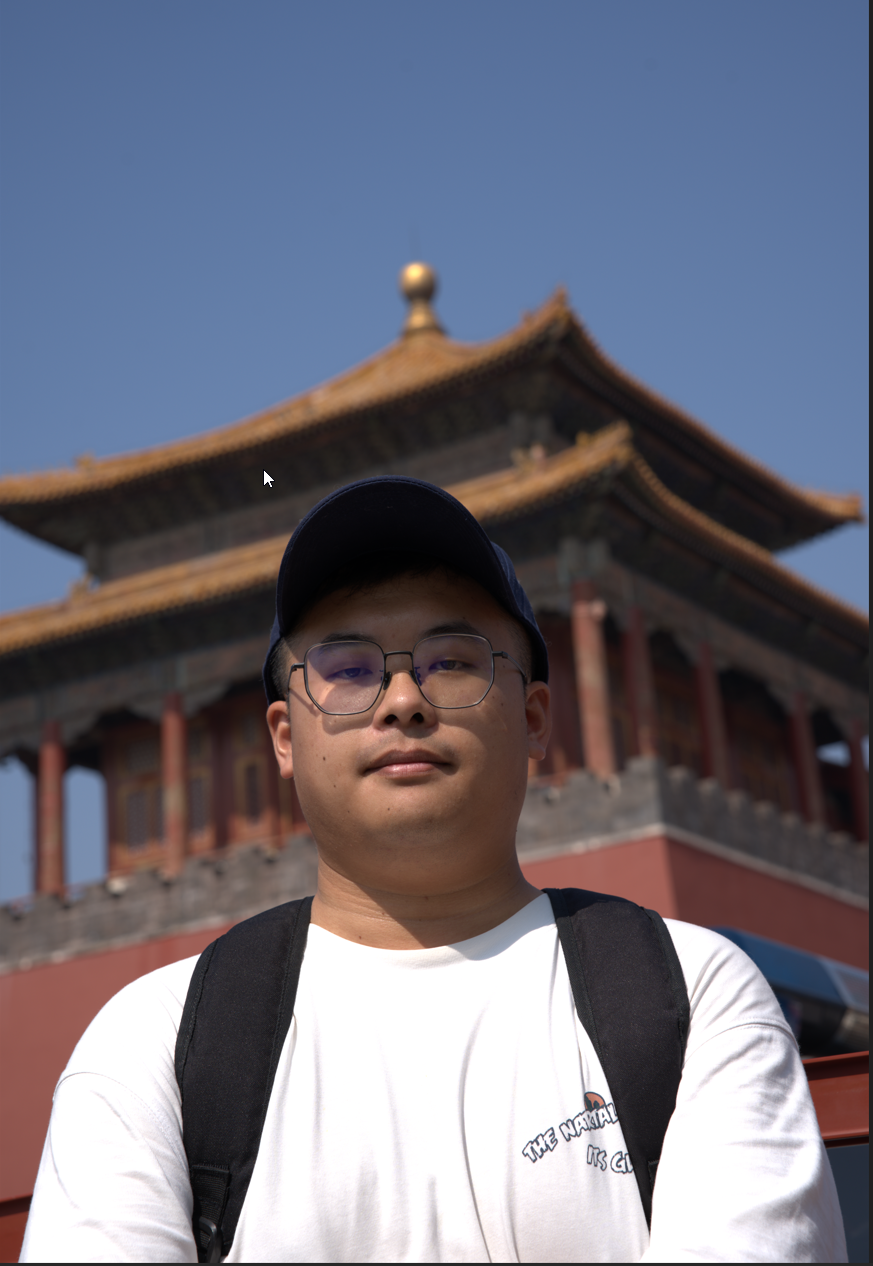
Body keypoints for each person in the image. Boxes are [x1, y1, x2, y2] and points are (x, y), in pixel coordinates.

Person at [21, 477, 846, 1263]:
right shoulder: (156, 1042)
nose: (402, 699)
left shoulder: (692, 997)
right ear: (284, 738)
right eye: (347, 669)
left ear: (534, 717)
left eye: (451, 660)